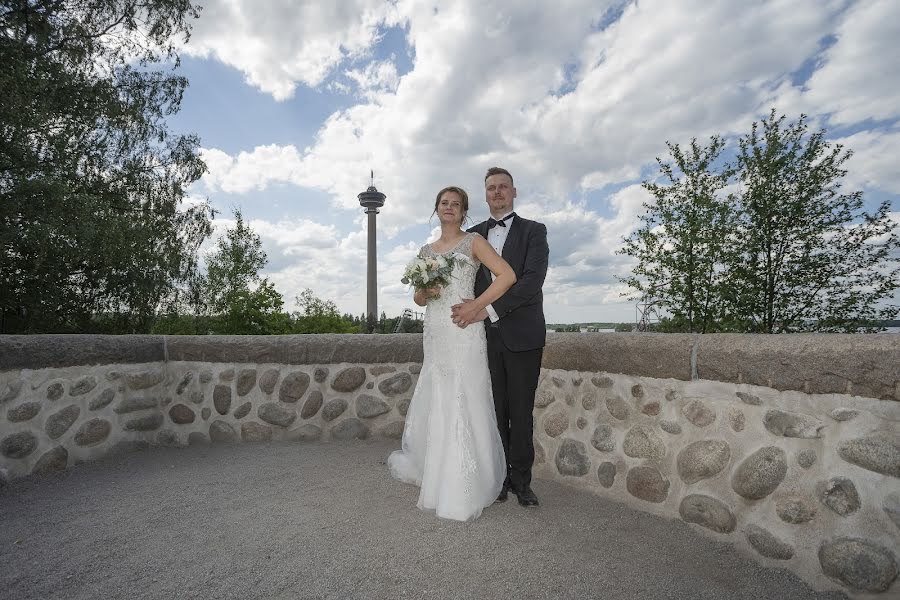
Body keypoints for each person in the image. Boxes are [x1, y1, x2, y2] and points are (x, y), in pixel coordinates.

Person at [388, 185, 517, 522]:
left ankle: (466, 481)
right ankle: (437, 472)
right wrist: (425, 291)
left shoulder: (474, 242)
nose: (449, 208)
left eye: (455, 204)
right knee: (439, 395)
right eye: (444, 203)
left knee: (465, 396)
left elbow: (507, 275)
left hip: (463, 329)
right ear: (436, 209)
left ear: (463, 212)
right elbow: (418, 298)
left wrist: (477, 304)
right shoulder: (426, 249)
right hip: (435, 332)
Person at [451, 167, 549, 507]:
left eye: (502, 187)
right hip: (481, 339)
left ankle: (522, 481)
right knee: (491, 409)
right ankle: (497, 478)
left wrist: (487, 310)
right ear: (485, 194)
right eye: (491, 188)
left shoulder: (535, 232)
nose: (497, 193)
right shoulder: (472, 236)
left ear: (514, 191)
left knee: (521, 412)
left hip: (523, 335)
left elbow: (530, 282)